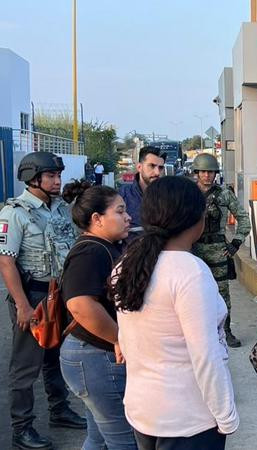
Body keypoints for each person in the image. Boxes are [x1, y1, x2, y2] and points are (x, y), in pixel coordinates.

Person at [110, 176, 239, 449]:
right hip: (187, 419)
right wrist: (227, 416)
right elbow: (206, 357)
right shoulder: (190, 271)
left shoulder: (126, 264)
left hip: (143, 410)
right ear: (196, 219)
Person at [0, 152, 86, 450]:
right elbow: (6, 263)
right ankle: (21, 429)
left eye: (58, 175)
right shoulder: (14, 213)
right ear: (33, 178)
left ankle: (59, 410)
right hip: (33, 296)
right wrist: (22, 306)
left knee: (55, 358)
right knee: (25, 366)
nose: (57, 180)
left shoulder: (59, 208)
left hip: (58, 294)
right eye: (51, 176)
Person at [59, 181, 136, 450]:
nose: (128, 217)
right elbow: (80, 304)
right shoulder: (91, 251)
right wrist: (118, 338)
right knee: (125, 441)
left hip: (91, 356)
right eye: (120, 211)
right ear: (97, 219)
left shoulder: (106, 246)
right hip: (95, 356)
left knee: (99, 439)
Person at [191, 153, 251, 348]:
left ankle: (226, 331)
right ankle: (198, 332)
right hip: (193, 250)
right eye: (203, 171)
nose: (207, 175)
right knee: (193, 293)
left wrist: (236, 243)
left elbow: (243, 218)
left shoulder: (224, 194)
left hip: (218, 250)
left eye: (211, 172)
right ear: (197, 172)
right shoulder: (189, 193)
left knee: (222, 293)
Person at [118, 146, 165, 236]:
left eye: (160, 168)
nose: (157, 172)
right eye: (152, 166)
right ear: (139, 167)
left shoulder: (170, 196)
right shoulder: (122, 196)